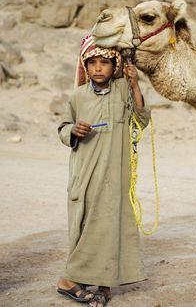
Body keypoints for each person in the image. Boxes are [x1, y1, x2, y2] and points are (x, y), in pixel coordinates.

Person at [56, 36, 151, 307]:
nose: (98, 68)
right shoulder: (76, 95)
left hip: (115, 175)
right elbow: (63, 127)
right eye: (93, 62)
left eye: (105, 63)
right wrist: (72, 130)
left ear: (115, 66)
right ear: (85, 66)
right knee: (85, 223)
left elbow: (141, 119)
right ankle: (71, 279)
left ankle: (104, 282)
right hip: (85, 175)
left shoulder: (123, 89)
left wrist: (134, 83)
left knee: (111, 224)